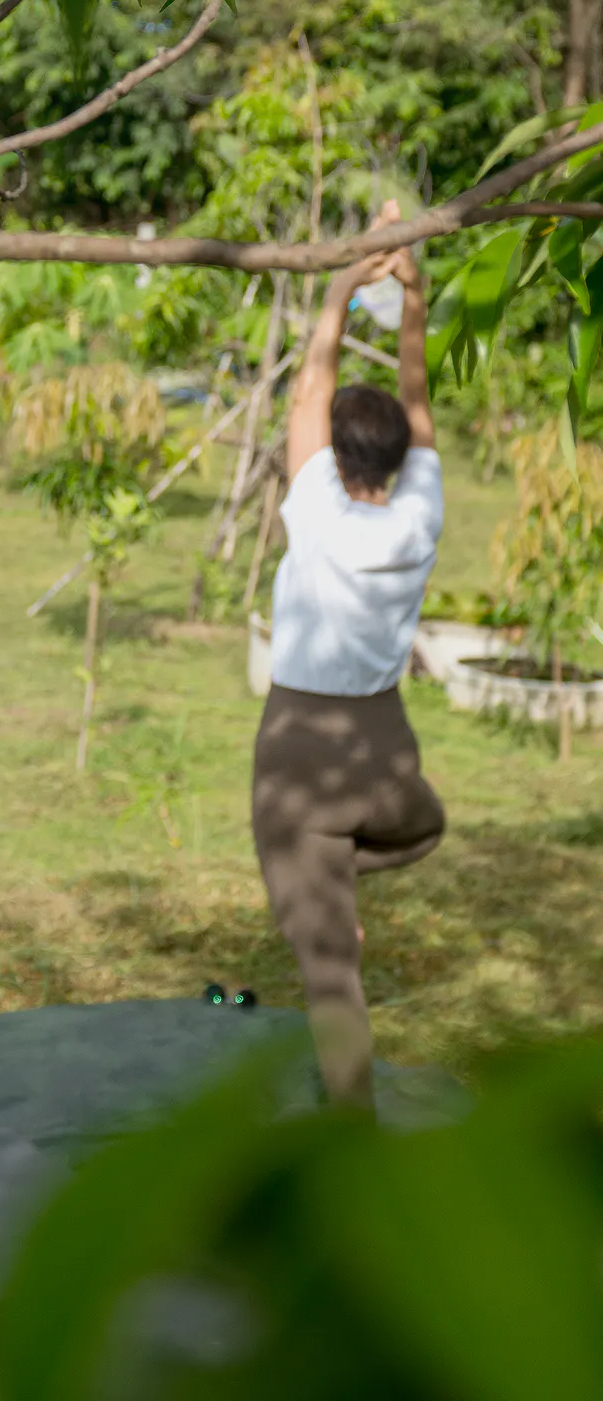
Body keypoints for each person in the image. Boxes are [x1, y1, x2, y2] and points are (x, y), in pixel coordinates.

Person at [253, 200, 445, 1107]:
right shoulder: (420, 515)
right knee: (427, 827)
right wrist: (413, 298)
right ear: (404, 463)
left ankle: (350, 1133)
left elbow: (306, 392)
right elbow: (416, 401)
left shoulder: (313, 509)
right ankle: (332, 885)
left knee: (329, 971)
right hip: (386, 755)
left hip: (298, 744)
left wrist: (337, 293)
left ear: (333, 457)